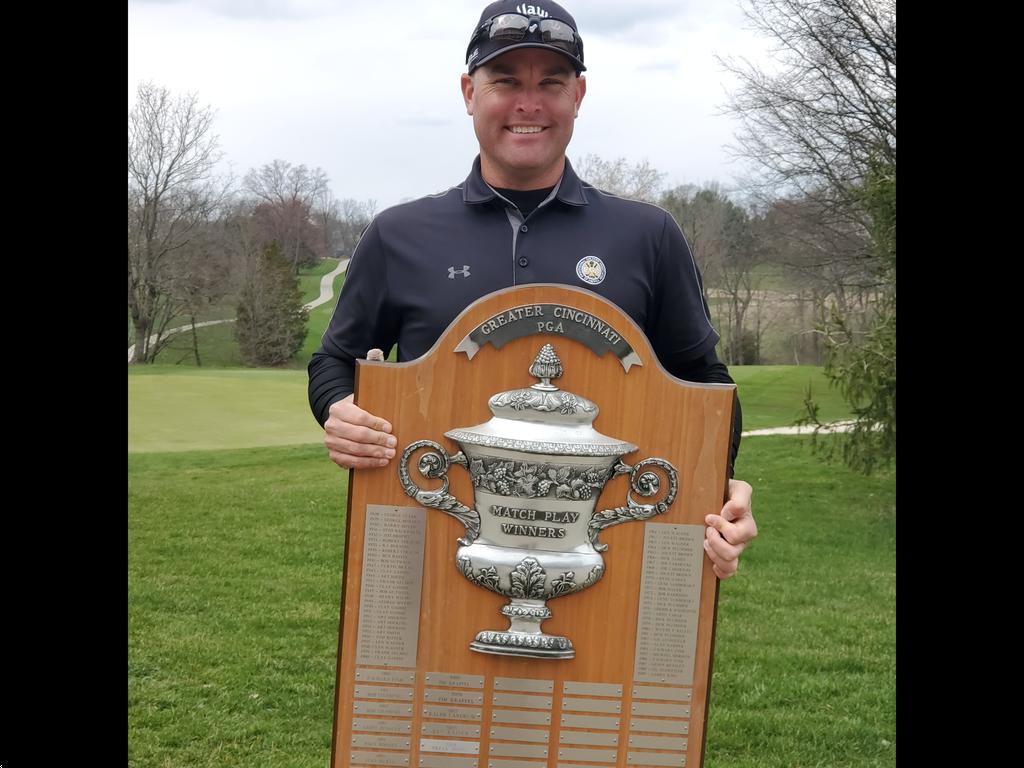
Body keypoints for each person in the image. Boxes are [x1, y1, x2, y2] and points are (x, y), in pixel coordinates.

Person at [308, 0, 757, 579]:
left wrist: (719, 483)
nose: (529, 104)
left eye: (551, 81)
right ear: (469, 92)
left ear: (579, 96)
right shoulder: (399, 235)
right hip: (429, 561)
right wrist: (339, 413)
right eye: (505, 81)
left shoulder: (648, 235)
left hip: (605, 570)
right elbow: (334, 361)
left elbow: (704, 382)